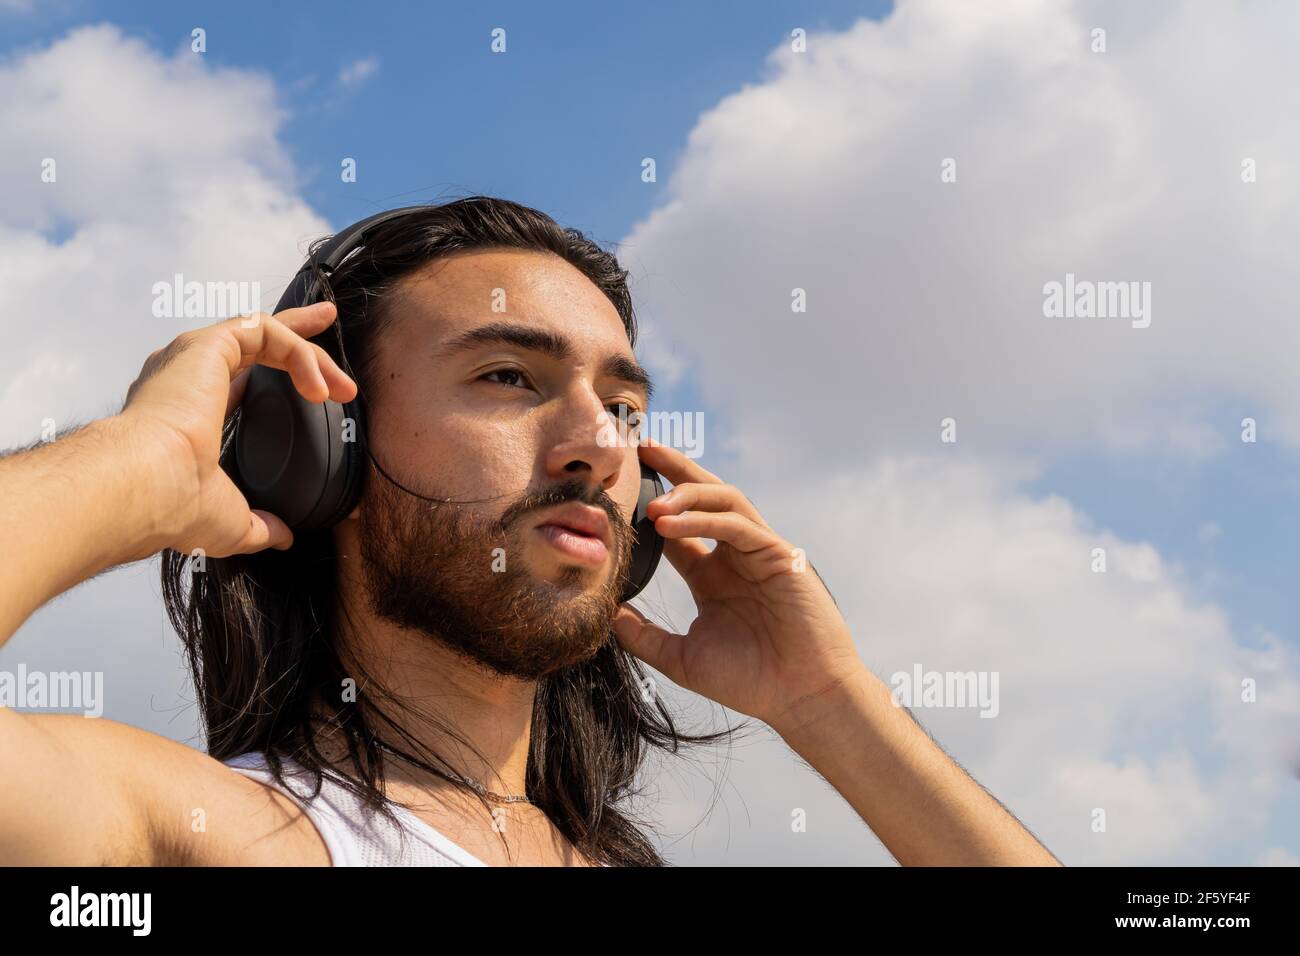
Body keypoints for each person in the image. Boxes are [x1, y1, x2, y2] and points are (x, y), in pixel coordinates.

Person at [0, 196, 1060, 867]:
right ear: (324, 444)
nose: (597, 446)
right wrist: (139, 466)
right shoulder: (191, 829)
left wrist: (832, 706)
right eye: (509, 376)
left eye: (626, 409)